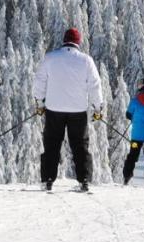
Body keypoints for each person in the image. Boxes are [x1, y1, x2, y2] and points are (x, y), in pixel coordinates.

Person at [33, 28, 104, 192]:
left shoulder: (50, 58)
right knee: (80, 146)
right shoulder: (86, 60)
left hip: (54, 109)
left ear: (64, 40)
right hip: (78, 110)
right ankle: (84, 180)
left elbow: (39, 82)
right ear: (78, 42)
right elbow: (95, 85)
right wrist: (98, 107)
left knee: (52, 145)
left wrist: (39, 103)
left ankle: (47, 180)